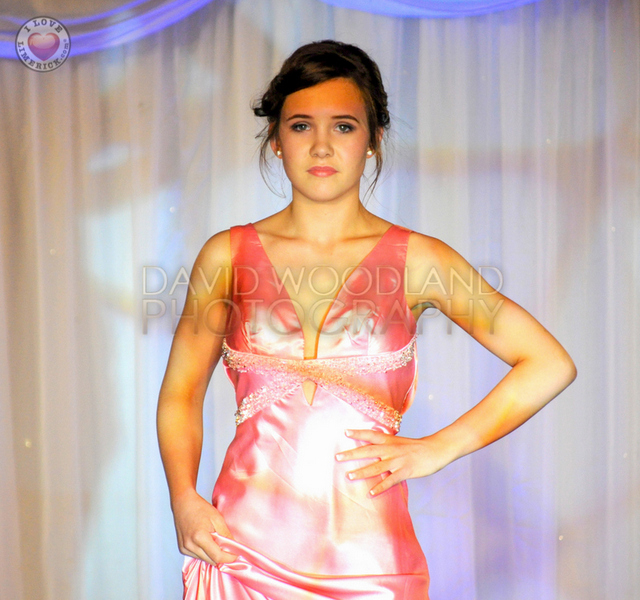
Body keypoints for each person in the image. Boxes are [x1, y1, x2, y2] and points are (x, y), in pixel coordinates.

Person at [157, 40, 577, 599]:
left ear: (374, 138)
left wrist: (440, 447)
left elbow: (548, 363)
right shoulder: (227, 256)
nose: (322, 145)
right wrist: (183, 499)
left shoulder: (419, 260)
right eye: (301, 126)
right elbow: (181, 392)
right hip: (242, 555)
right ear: (276, 140)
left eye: (344, 126)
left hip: (372, 564)